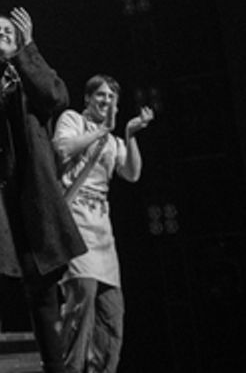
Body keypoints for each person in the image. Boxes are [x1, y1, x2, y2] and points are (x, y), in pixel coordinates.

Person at [0, 8, 84, 373]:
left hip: (33, 202)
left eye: (8, 31)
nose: (1, 35)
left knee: (43, 296)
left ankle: (56, 367)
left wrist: (26, 51)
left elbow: (56, 97)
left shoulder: (30, 76)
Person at [52, 74, 152, 373]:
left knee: (112, 310)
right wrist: (100, 131)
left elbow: (132, 173)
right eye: (101, 96)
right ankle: (71, 368)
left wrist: (130, 135)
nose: (106, 101)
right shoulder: (73, 120)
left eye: (112, 98)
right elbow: (62, 149)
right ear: (88, 98)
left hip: (101, 226)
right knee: (83, 293)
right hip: (75, 217)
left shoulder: (113, 140)